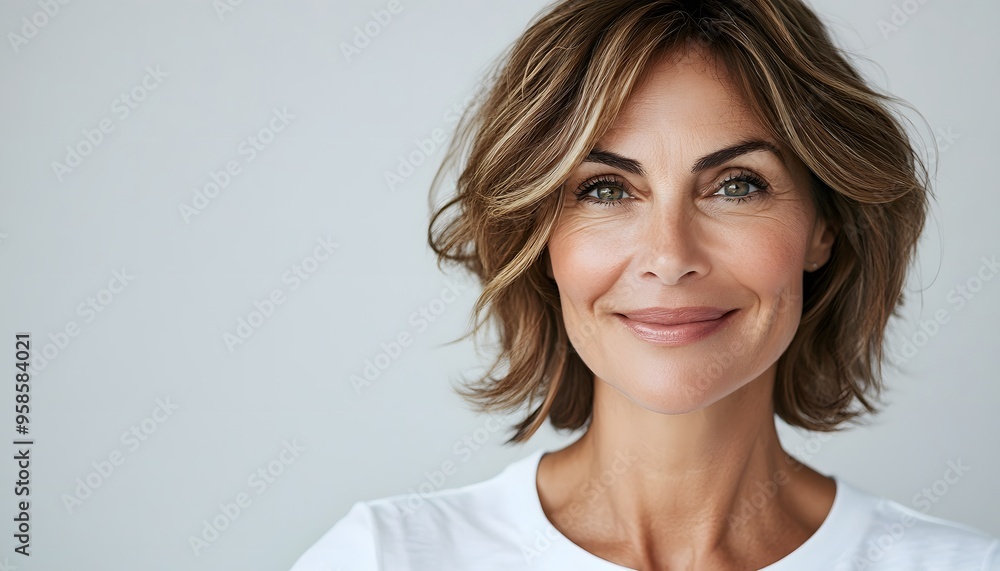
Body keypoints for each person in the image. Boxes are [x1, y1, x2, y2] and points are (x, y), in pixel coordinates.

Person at [289, 0, 1000, 569]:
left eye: (736, 184)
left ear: (824, 225)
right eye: (605, 190)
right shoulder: (387, 558)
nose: (669, 255)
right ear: (540, 236)